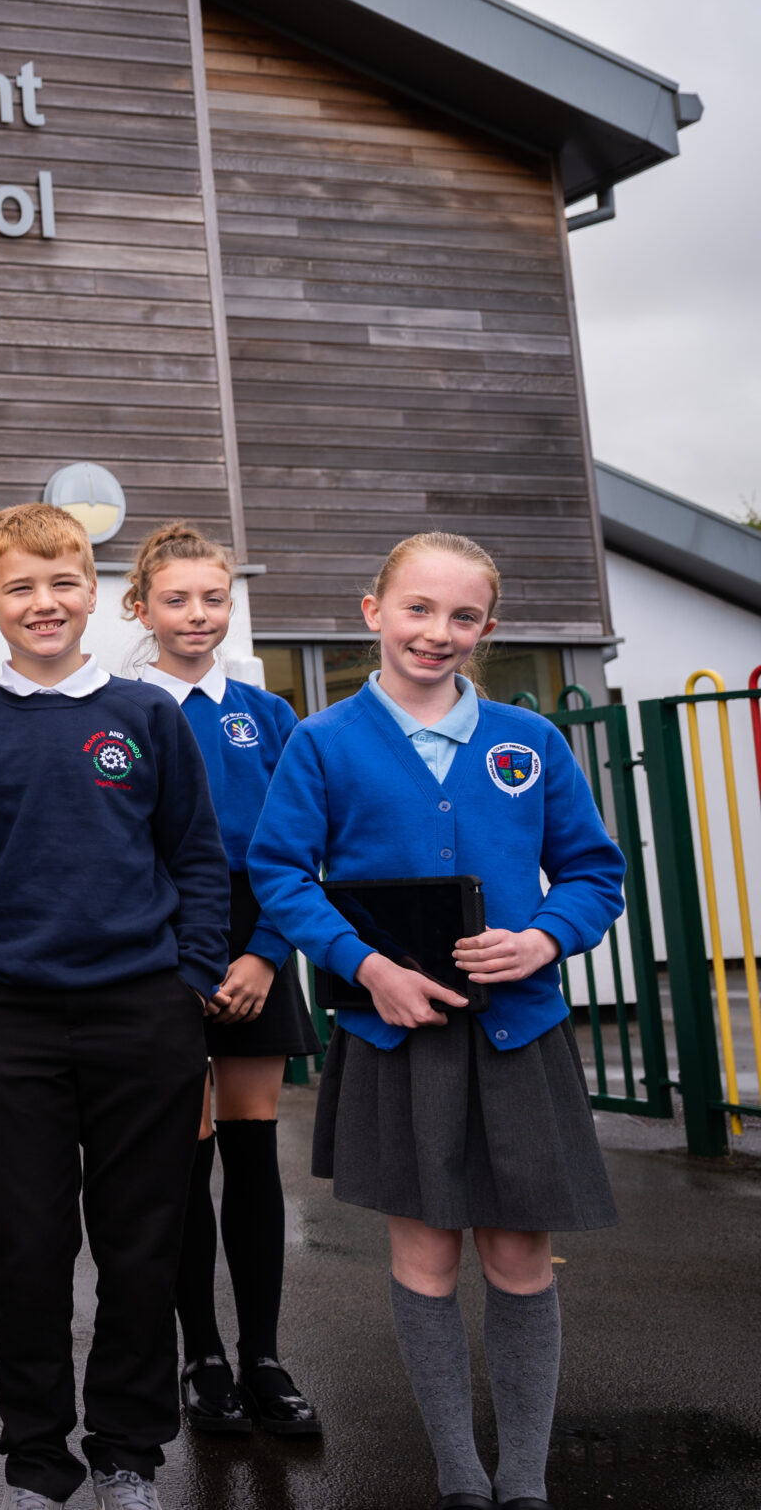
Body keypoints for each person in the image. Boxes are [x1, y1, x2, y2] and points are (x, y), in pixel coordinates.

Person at [249, 532, 626, 1510]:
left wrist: (544, 938)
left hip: (517, 1034)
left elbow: (594, 870)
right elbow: (280, 872)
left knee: (518, 1253)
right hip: (393, 1037)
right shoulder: (320, 742)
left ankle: (524, 1479)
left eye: (462, 616)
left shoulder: (528, 742)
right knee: (423, 1253)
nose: (437, 631)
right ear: (372, 610)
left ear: (487, 630)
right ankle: (459, 1475)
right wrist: (365, 965)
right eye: (417, 608)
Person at [0, 503, 229, 1510]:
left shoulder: (147, 717)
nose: (42, 602)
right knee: (26, 1246)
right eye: (19, 586)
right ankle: (37, 1463)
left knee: (142, 1244)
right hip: (5, 1021)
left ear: (93, 591)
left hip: (143, 1016)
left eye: (61, 582)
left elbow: (195, 858)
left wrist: (185, 984)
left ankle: (128, 1451)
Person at [120, 522, 322, 1440]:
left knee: (250, 1151)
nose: (196, 614)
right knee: (182, 1154)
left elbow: (295, 851)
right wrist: (186, 960)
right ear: (140, 607)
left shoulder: (268, 713)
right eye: (176, 598)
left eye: (213, 597)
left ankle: (264, 1355)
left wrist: (264, 952)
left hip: (255, 939)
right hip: (161, 943)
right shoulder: (118, 708)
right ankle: (200, 1355)